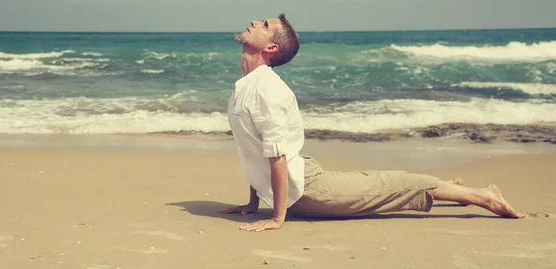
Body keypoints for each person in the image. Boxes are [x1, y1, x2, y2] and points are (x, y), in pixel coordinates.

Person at [220, 13, 523, 232]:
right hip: (299, 179)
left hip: (307, 191)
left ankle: (483, 196)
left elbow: (276, 157)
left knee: (392, 184)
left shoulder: (266, 88)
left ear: (271, 48)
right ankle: (450, 189)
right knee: (375, 183)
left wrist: (277, 217)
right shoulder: (245, 86)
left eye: (264, 25)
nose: (255, 22)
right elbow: (252, 150)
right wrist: (252, 202)